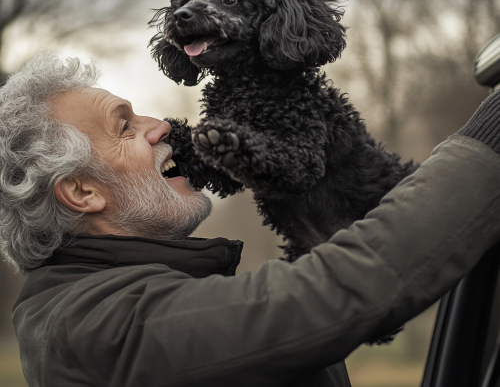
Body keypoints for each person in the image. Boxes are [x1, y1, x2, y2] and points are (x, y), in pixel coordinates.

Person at [2, 53, 500, 387]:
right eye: (124, 127)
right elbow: (326, 299)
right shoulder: (89, 324)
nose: (158, 126)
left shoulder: (99, 301)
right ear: (82, 192)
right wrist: (488, 142)